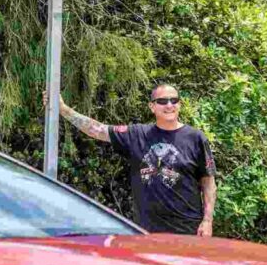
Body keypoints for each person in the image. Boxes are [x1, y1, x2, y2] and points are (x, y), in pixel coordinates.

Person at [52, 84, 217, 236]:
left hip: (188, 231)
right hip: (146, 232)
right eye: (162, 101)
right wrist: (63, 109)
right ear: (152, 106)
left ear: (179, 104)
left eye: (174, 100)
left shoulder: (195, 138)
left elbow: (208, 182)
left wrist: (207, 221)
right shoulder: (137, 135)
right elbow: (97, 130)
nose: (169, 105)